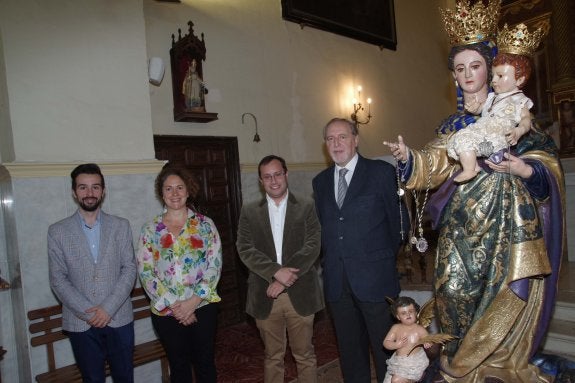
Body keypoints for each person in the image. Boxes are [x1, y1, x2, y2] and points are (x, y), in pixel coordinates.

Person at [384, 1, 565, 381]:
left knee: (503, 294)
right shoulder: (454, 124)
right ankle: (460, 365)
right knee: (452, 291)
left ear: (494, 69)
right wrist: (408, 158)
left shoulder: (514, 115)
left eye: (476, 66)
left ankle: (496, 364)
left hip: (507, 230)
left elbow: (546, 168)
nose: (468, 75)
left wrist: (520, 167)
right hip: (460, 228)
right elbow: (434, 160)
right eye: (460, 68)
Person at [312, 118, 409, 383]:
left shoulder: (381, 173)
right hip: (337, 283)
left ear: (355, 139)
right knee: (350, 352)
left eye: (342, 137)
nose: (336, 143)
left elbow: (400, 225)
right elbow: (325, 228)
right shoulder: (319, 182)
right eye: (330, 139)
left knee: (386, 349)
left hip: (376, 281)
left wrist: (377, 259)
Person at [236, 155, 324, 383]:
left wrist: (284, 278)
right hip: (265, 295)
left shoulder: (306, 205)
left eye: (277, 174)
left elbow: (313, 245)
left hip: (301, 291)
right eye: (267, 176)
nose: (273, 180)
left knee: (305, 355)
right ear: (260, 180)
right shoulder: (249, 210)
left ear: (286, 174)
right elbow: (244, 248)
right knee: (272, 356)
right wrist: (275, 272)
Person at [48, 163, 137, 382]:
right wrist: (90, 314)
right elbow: (58, 278)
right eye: (83, 187)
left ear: (103, 191)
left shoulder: (121, 226)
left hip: (118, 317)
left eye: (95, 187)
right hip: (81, 323)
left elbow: (129, 268)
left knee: (124, 377)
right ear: (74, 192)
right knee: (92, 379)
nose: (90, 193)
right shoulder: (57, 231)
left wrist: (107, 309)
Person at [137, 164, 222, 383]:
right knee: (179, 366)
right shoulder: (150, 229)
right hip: (167, 311)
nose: (174, 193)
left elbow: (214, 264)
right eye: (168, 188)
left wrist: (192, 302)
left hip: (202, 306)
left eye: (179, 187)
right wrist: (177, 306)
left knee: (205, 363)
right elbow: (146, 272)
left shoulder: (205, 225)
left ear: (188, 190)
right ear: (161, 193)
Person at [447, 23, 544, 183]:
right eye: (460, 69)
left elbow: (526, 120)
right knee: (461, 138)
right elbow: (484, 108)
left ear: (519, 80)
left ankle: (475, 166)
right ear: (454, 74)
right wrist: (475, 108)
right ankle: (471, 168)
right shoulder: (492, 98)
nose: (494, 81)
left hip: (500, 136)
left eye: (476, 66)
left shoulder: (520, 101)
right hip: (483, 129)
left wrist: (519, 132)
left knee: (468, 139)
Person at [383, 296, 431, 383]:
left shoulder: (419, 329)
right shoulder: (396, 328)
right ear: (398, 316)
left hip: (414, 363)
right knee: (389, 380)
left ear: (416, 312)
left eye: (411, 311)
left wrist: (427, 342)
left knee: (396, 380)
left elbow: (428, 339)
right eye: (403, 313)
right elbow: (386, 343)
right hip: (398, 362)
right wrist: (396, 345)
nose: (408, 315)